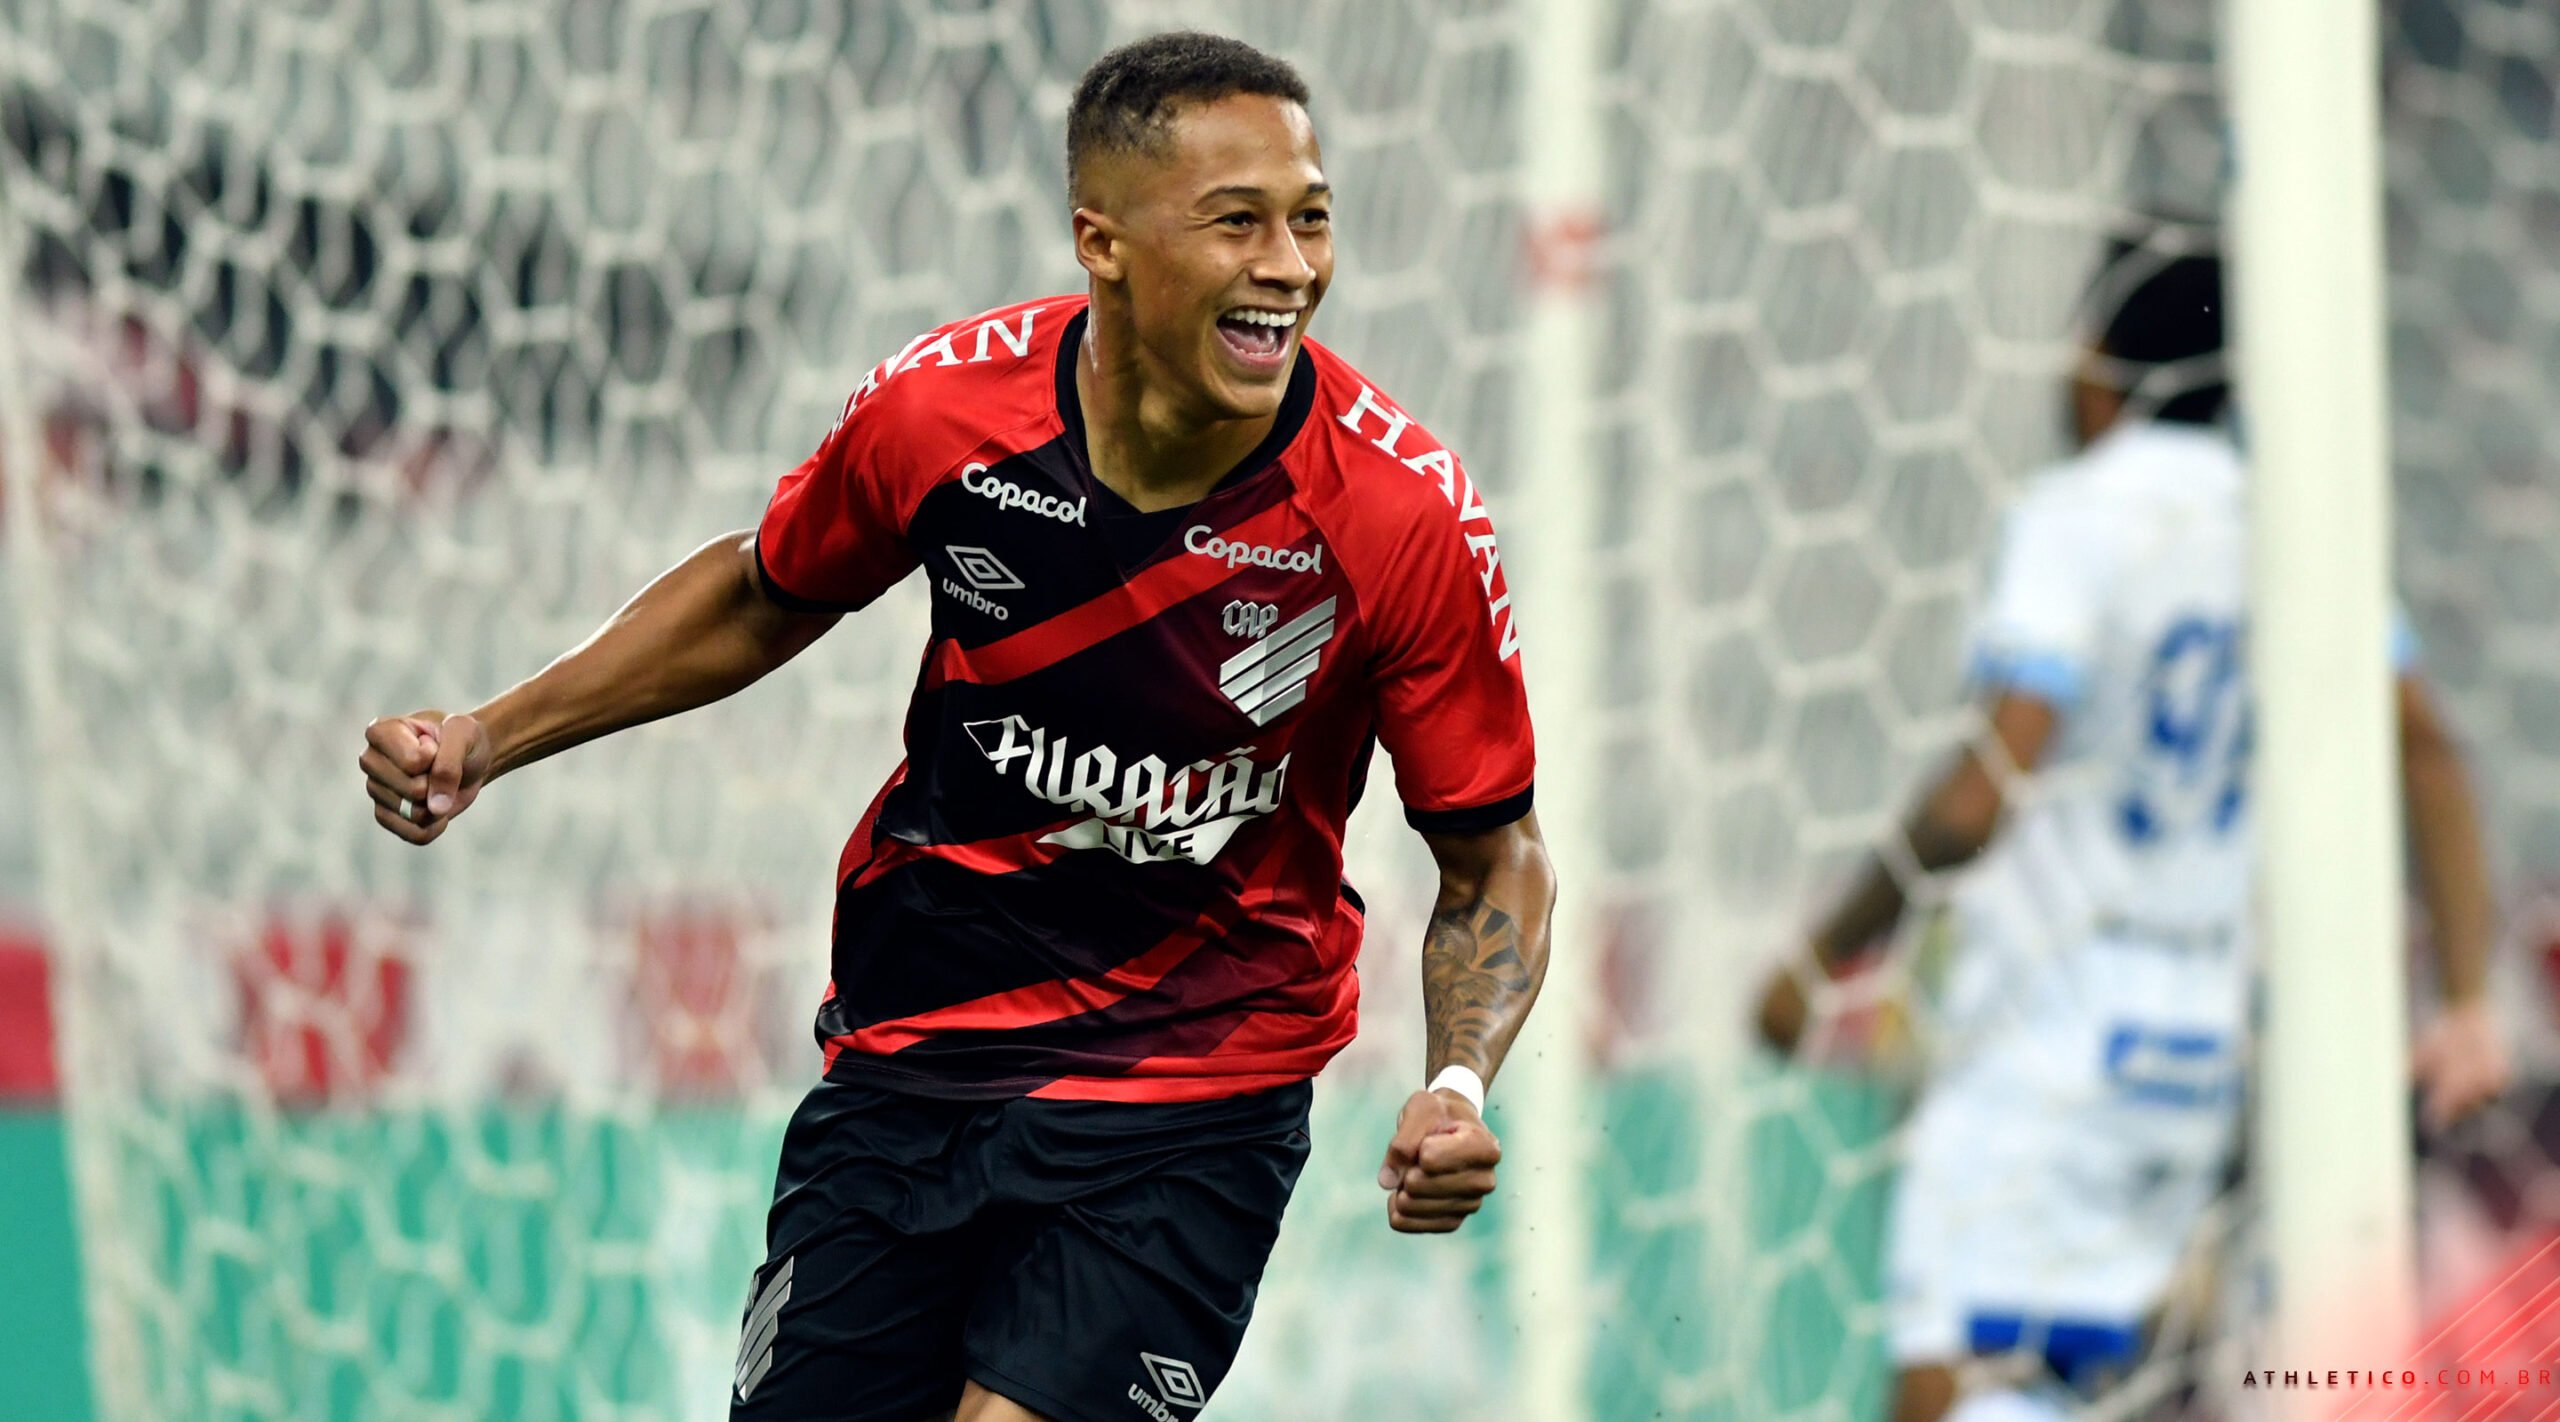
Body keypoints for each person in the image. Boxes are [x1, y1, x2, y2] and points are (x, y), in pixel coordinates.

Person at [358, 32, 1555, 1422]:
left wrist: (1457, 1078)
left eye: (1311, 218)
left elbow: (1495, 858)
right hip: (913, 1053)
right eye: (1238, 222)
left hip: (1189, 1090)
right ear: (1103, 243)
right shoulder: (946, 412)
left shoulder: (1399, 515)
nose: (1289, 265)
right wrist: (492, 735)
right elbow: (764, 590)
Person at [1754, 228, 2511, 1422]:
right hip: (2192, 1051)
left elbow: (1982, 792)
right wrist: (2467, 1001)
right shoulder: (2290, 529)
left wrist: (1825, 953)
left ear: (2095, 362)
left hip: (2048, 1032)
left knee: (1946, 1379)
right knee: (2067, 1378)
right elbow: (2424, 745)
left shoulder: (2079, 515)